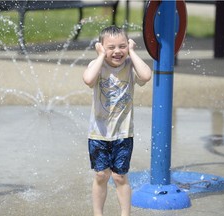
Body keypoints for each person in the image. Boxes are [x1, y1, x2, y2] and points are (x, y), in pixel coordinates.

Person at [83, 25, 152, 216]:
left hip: (123, 133)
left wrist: (132, 52)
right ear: (101, 47)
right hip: (99, 133)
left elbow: (146, 75)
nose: (117, 51)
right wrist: (99, 56)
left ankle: (125, 214)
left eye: (122, 46)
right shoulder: (97, 66)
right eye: (111, 47)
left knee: (120, 177)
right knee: (101, 175)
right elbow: (88, 80)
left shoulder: (130, 65)